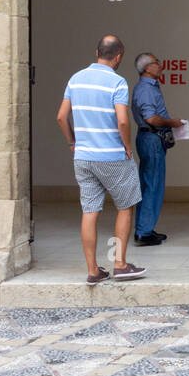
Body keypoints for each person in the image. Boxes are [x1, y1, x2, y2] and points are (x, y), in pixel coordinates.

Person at [55, 35, 147, 285]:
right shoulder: (117, 82)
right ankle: (120, 264)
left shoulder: (76, 79)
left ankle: (93, 270)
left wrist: (73, 143)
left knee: (89, 210)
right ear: (118, 57)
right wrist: (127, 146)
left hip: (83, 157)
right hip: (112, 156)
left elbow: (62, 117)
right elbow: (123, 120)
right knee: (126, 206)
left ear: (97, 52)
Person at [131, 52, 186, 246]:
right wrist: (174, 123)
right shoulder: (146, 89)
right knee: (152, 185)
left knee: (149, 184)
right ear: (147, 67)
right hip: (151, 138)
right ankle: (144, 232)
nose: (161, 65)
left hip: (151, 138)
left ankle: (144, 228)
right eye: (157, 62)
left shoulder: (150, 87)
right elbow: (151, 118)